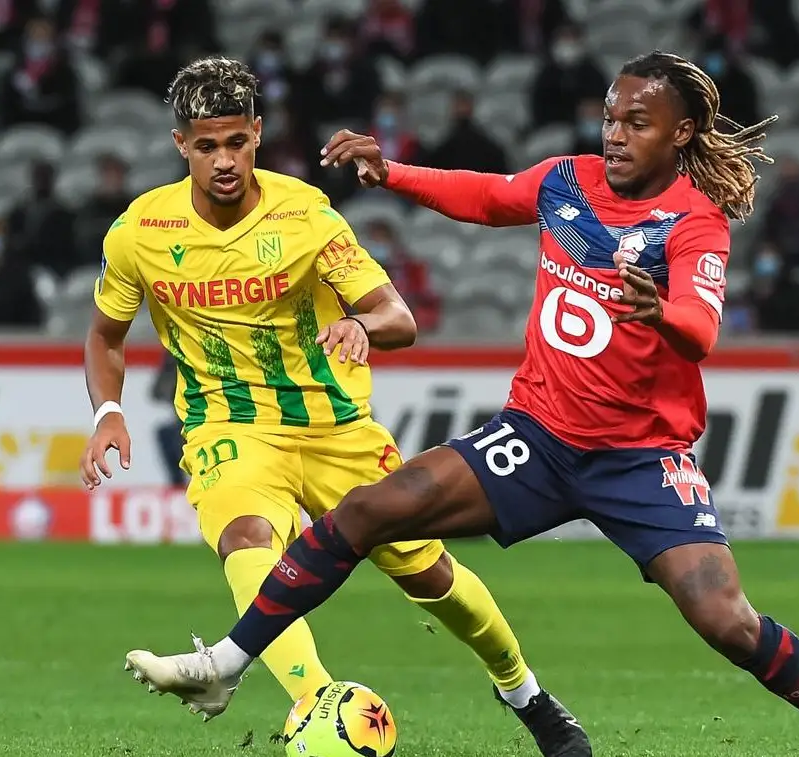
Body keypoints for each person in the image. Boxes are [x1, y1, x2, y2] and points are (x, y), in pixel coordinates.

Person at [122, 52, 799, 757]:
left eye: (637, 123)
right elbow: (487, 197)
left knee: (726, 620)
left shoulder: (692, 224)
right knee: (370, 510)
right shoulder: (568, 182)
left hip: (639, 460)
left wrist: (663, 312)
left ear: (681, 134)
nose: (615, 134)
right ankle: (227, 663)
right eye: (611, 118)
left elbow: (701, 329)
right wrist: (393, 172)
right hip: (537, 438)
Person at [90, 56, 588, 757]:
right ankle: (315, 704)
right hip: (229, 425)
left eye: (235, 142)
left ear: (258, 134)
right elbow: (106, 335)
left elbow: (398, 317)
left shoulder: (304, 215)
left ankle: (526, 694)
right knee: (246, 538)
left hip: (335, 427)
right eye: (206, 146)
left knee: (431, 576)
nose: (224, 160)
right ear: (181, 145)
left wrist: (361, 324)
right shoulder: (140, 231)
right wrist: (107, 412)